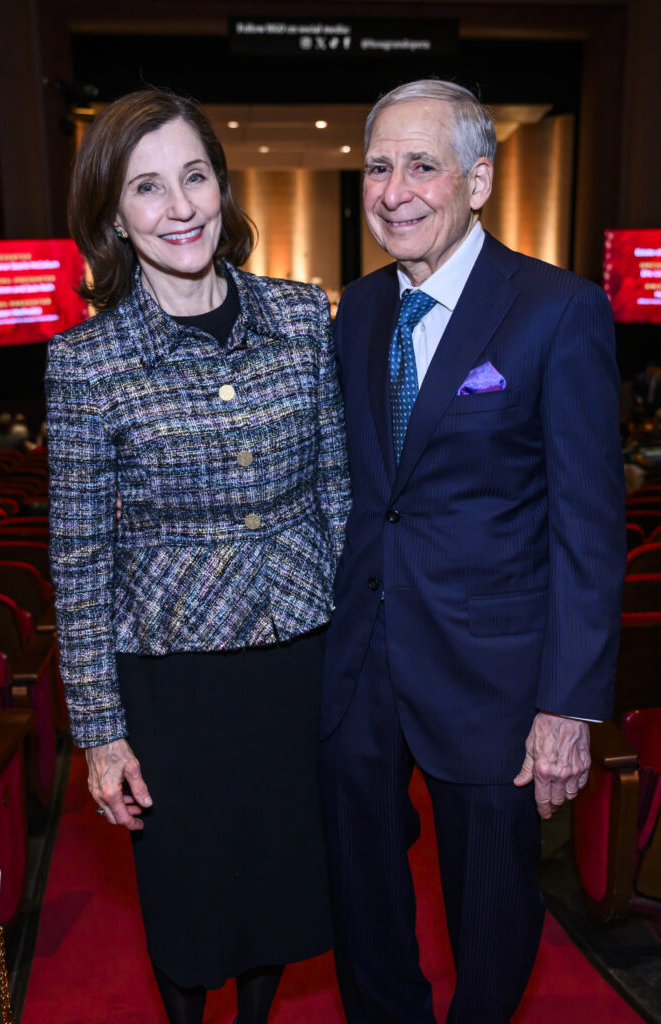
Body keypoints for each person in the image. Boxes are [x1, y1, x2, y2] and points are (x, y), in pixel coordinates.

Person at [319, 78, 627, 1024]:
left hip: (495, 681)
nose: (394, 189)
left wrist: (567, 706)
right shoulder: (357, 312)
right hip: (359, 665)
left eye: (422, 165)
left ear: (478, 181)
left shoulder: (556, 310)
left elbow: (588, 527)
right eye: (377, 166)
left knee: (491, 911)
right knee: (360, 898)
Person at [46, 89, 351, 1024]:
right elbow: (77, 561)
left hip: (297, 660)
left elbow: (338, 495)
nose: (179, 207)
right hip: (170, 683)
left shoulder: (303, 320)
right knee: (187, 902)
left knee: (279, 890)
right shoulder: (85, 363)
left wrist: (355, 655)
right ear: (113, 215)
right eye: (147, 188)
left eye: (194, 176)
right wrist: (100, 734)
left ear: (222, 186)